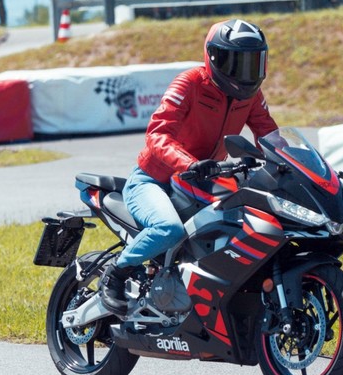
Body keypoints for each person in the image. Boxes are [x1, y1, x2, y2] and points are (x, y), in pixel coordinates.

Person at [98, 18, 279, 313]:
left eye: (252, 63)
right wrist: (189, 163)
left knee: (245, 224)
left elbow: (270, 135)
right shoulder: (191, 83)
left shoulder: (251, 97)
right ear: (213, 57)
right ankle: (115, 275)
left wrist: (295, 165)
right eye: (235, 63)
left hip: (203, 183)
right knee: (169, 229)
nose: (244, 73)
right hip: (154, 181)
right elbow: (158, 134)